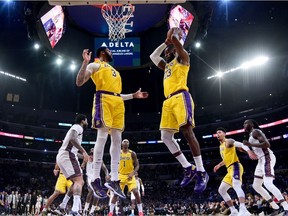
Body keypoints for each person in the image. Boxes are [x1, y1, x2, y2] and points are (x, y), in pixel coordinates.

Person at [76, 47, 148, 199]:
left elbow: (118, 94)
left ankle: (114, 179)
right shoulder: (95, 65)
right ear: (102, 53)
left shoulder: (116, 72)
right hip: (103, 100)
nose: (111, 52)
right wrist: (85, 62)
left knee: (117, 139)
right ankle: (96, 178)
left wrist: (133, 96)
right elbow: (79, 81)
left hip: (117, 103)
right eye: (109, 50)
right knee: (102, 137)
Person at [149, 27, 209, 192]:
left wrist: (174, 37)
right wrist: (165, 42)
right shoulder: (166, 66)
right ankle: (188, 167)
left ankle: (201, 171)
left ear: (176, 50)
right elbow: (153, 56)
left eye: (169, 51)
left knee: (187, 132)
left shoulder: (183, 58)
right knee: (165, 136)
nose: (166, 53)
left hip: (181, 96)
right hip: (168, 101)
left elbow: (177, 43)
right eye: (167, 51)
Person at [243, 119, 288, 216]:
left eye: (246, 123)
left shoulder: (256, 131)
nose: (244, 124)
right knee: (256, 185)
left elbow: (267, 144)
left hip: (267, 157)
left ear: (252, 124)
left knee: (267, 183)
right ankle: (275, 206)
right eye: (243, 124)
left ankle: (286, 206)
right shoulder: (251, 135)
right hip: (260, 160)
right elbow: (257, 149)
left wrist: (250, 144)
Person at [214, 127, 257, 216]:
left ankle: (243, 209)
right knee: (221, 190)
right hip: (229, 169)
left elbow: (241, 145)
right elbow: (226, 159)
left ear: (224, 134)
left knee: (236, 185)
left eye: (220, 132)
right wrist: (219, 165)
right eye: (216, 133)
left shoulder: (228, 141)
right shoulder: (220, 146)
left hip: (235, 166)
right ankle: (233, 210)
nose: (218, 134)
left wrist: (249, 151)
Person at [56, 114, 89, 216]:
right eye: (87, 120)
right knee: (80, 181)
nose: (87, 123)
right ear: (83, 121)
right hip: (67, 156)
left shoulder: (75, 128)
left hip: (64, 156)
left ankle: (62, 206)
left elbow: (73, 149)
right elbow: (72, 139)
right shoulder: (78, 127)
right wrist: (84, 152)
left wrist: (83, 156)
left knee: (75, 182)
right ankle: (74, 210)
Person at [107, 139, 144, 216]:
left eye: (127, 141)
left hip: (130, 175)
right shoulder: (118, 153)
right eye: (124, 141)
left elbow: (137, 166)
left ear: (129, 144)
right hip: (120, 175)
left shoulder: (132, 153)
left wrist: (132, 173)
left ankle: (141, 212)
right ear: (121, 144)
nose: (126, 142)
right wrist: (111, 174)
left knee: (136, 192)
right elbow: (114, 164)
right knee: (116, 194)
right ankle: (110, 212)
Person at [83, 148, 110, 216]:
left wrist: (107, 175)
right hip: (89, 178)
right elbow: (81, 161)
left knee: (97, 195)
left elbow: (105, 169)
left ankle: (91, 211)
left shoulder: (99, 160)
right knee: (92, 191)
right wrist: (82, 166)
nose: (92, 155)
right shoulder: (87, 158)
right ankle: (85, 210)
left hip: (97, 179)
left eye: (93, 153)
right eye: (91, 153)